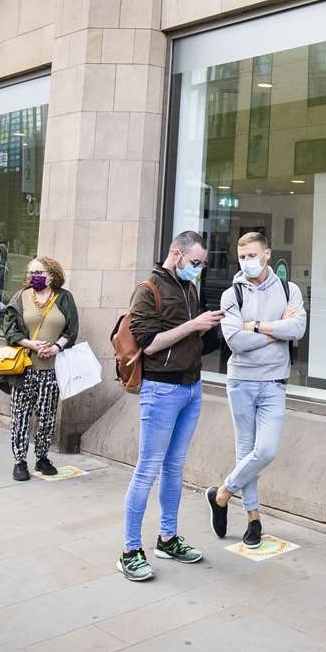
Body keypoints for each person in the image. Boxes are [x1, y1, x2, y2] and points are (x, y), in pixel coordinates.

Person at [118, 230, 222, 581]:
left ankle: (167, 538)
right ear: (176, 254)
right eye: (195, 262)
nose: (199, 269)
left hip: (191, 387)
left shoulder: (188, 287)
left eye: (202, 264)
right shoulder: (148, 290)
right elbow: (148, 344)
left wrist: (210, 328)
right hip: (161, 390)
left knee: (175, 468)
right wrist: (193, 324)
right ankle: (130, 549)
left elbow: (190, 339)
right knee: (147, 469)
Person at [206, 232, 307, 548]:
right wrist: (276, 332)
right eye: (242, 257)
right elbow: (236, 341)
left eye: (252, 255)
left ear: (267, 255)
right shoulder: (231, 295)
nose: (246, 261)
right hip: (241, 382)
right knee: (245, 450)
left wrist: (257, 326)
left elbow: (298, 329)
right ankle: (254, 520)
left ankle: (222, 493)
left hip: (274, 382)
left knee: (264, 451)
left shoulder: (289, 290)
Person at [0, 256, 78, 481]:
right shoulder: (20, 297)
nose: (34, 277)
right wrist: (30, 344)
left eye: (39, 272)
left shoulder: (64, 298)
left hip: (51, 369)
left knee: (46, 416)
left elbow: (71, 331)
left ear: (51, 275)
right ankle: (20, 461)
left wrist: (55, 347)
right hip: (24, 368)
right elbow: (9, 328)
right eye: (31, 273)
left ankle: (42, 457)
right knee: (20, 416)